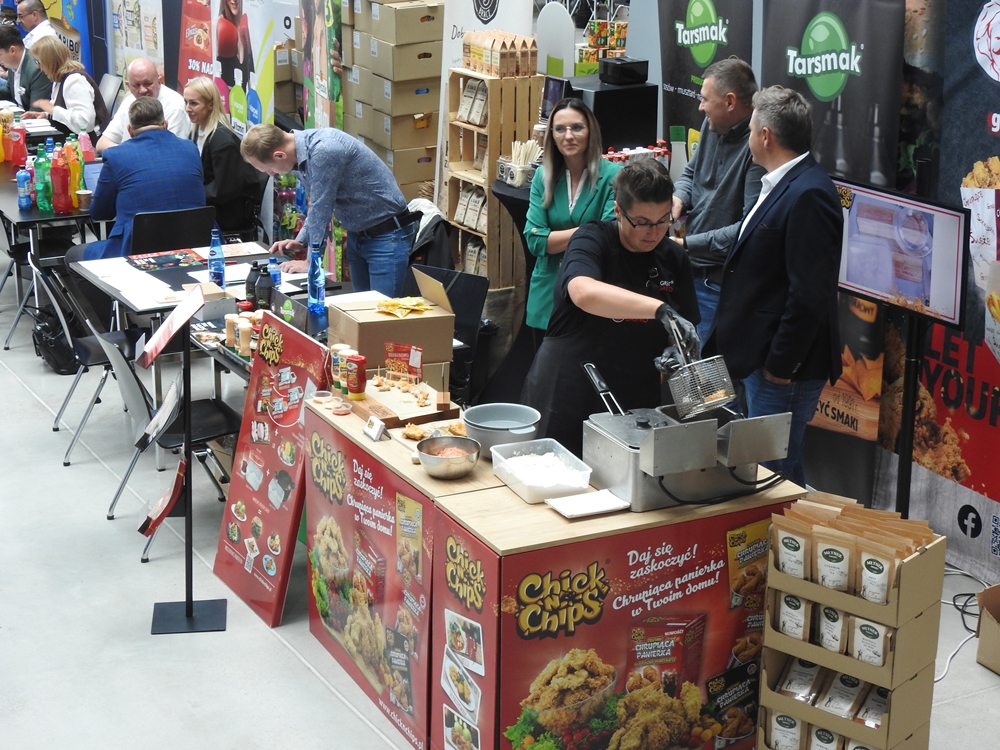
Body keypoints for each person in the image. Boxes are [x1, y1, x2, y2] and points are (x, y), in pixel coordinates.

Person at [706, 86, 843, 487]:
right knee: (770, 469)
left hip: (783, 372)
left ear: (765, 136)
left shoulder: (810, 193)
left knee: (772, 474)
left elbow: (809, 295)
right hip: (759, 360)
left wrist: (781, 366)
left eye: (751, 130)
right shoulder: (781, 184)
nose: (748, 137)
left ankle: (787, 528)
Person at [522, 160, 700, 457]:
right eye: (642, 222)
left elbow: (685, 323)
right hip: (569, 387)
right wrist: (659, 309)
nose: (654, 232)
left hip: (635, 393)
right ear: (618, 211)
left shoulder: (673, 257)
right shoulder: (592, 239)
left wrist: (676, 348)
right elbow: (582, 292)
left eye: (663, 220)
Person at [241, 123, 417, 296]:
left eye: (269, 169)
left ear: (279, 155)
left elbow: (322, 207)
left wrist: (311, 262)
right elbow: (316, 205)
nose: (271, 174)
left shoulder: (324, 150)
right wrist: (302, 240)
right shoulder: (297, 156)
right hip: (358, 234)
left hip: (386, 235)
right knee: (363, 308)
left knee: (383, 310)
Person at [671, 58, 765, 341]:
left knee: (707, 367)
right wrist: (678, 198)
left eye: (705, 100)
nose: (700, 107)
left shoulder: (758, 148)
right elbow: (691, 173)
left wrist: (686, 244)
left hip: (718, 286)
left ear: (730, 101)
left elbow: (748, 229)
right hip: (691, 275)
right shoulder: (712, 125)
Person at [524, 98, 620, 345]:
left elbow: (609, 236)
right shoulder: (541, 176)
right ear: (552, 136)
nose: (568, 136)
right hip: (546, 297)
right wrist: (589, 231)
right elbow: (535, 241)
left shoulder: (614, 176)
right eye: (560, 129)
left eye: (577, 127)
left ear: (591, 131)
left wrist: (554, 238)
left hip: (591, 294)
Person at [65, 97, 205, 262]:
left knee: (72, 255)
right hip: (196, 248)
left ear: (130, 131)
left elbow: (100, 213)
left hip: (136, 252)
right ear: (165, 125)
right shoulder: (191, 149)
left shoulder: (116, 156)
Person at [183, 76, 266, 235]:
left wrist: (192, 194)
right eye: (186, 102)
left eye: (194, 103)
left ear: (211, 104)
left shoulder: (222, 141)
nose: (187, 108)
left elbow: (224, 189)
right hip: (209, 208)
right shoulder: (195, 133)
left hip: (225, 215)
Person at [22, 36, 109, 142]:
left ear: (50, 61)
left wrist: (53, 110)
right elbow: (64, 109)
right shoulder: (59, 79)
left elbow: (85, 124)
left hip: (88, 146)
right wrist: (46, 114)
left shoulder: (74, 81)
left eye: (39, 62)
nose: (38, 67)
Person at [97, 58, 190, 153]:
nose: (142, 90)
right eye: (136, 85)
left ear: (159, 81)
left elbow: (169, 151)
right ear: (128, 86)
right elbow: (102, 144)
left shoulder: (174, 106)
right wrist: (128, 154)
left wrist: (127, 153)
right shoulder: (129, 101)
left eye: (147, 84)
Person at [0, 23, 51, 111]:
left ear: (12, 50)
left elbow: (35, 112)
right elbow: (9, 90)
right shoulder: (12, 63)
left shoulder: (37, 70)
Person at [217, 0, 253, 90]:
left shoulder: (244, 25)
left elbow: (250, 71)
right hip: (225, 94)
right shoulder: (220, 23)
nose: (234, 0)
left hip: (242, 95)